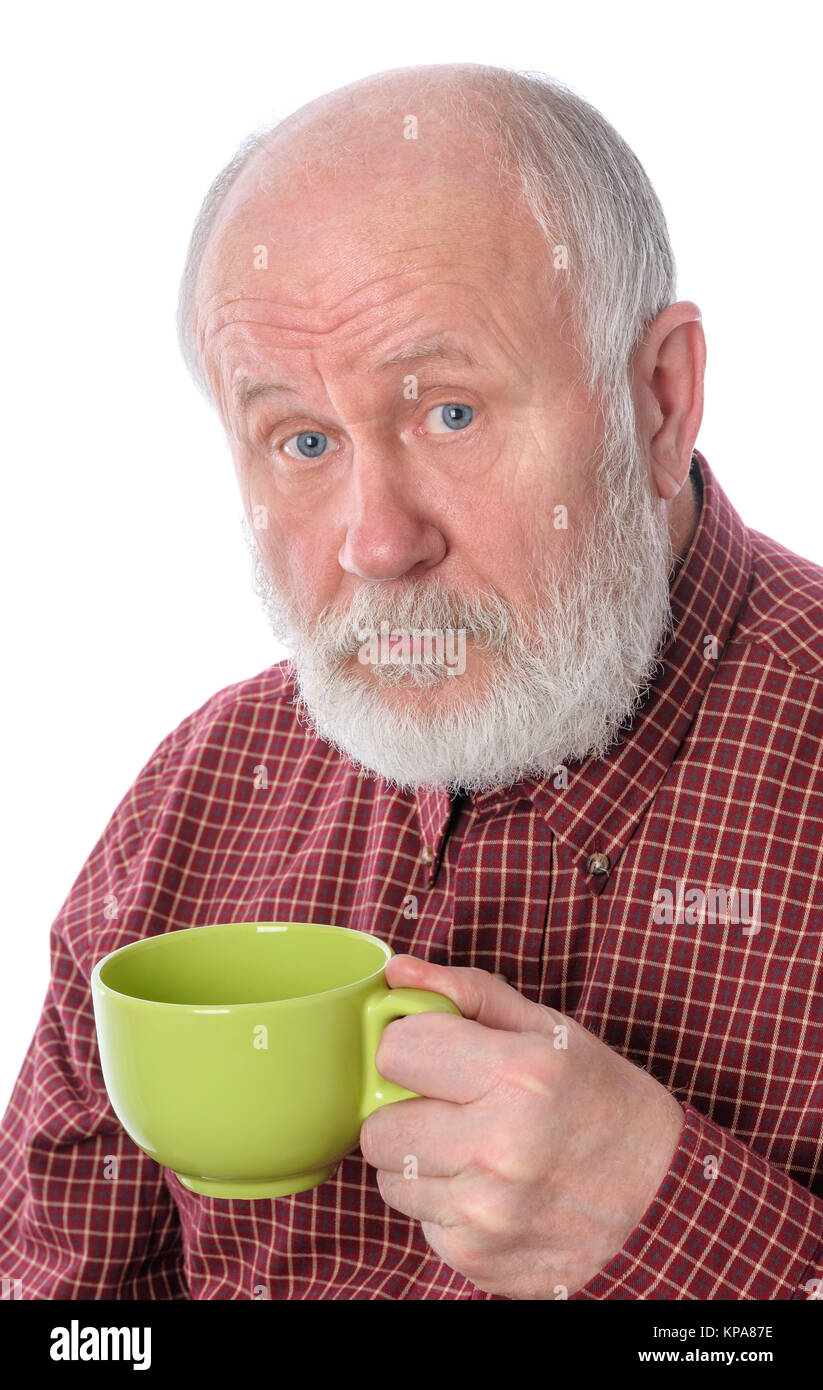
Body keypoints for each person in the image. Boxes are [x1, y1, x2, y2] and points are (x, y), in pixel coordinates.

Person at [1, 62, 820, 1301]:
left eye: (447, 413)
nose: (377, 545)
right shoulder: (195, 798)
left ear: (659, 401)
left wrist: (692, 1242)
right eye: (304, 441)